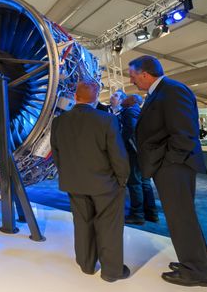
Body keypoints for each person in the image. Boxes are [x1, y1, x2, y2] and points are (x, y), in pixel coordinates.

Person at [129, 55, 207, 287]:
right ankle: (205, 266)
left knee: (180, 218)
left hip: (174, 167)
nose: (132, 81)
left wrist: (168, 162)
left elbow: (184, 133)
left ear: (145, 74)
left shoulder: (171, 90)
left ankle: (195, 272)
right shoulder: (162, 91)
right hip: (171, 165)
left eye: (133, 76)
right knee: (184, 217)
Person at [50, 81, 130, 282]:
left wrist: (67, 175)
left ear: (75, 97)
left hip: (74, 183)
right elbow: (118, 155)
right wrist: (122, 179)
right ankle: (112, 271)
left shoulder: (59, 122)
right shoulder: (107, 120)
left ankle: (86, 265)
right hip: (105, 184)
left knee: (82, 223)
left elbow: (57, 154)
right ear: (95, 99)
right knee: (109, 226)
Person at [119, 94, 158, 224]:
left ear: (133, 101)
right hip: (143, 153)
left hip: (134, 154)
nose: (123, 100)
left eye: (126, 98)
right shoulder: (139, 112)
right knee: (145, 183)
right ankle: (151, 213)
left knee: (134, 183)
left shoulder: (130, 112)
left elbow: (131, 132)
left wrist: (122, 144)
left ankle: (137, 215)